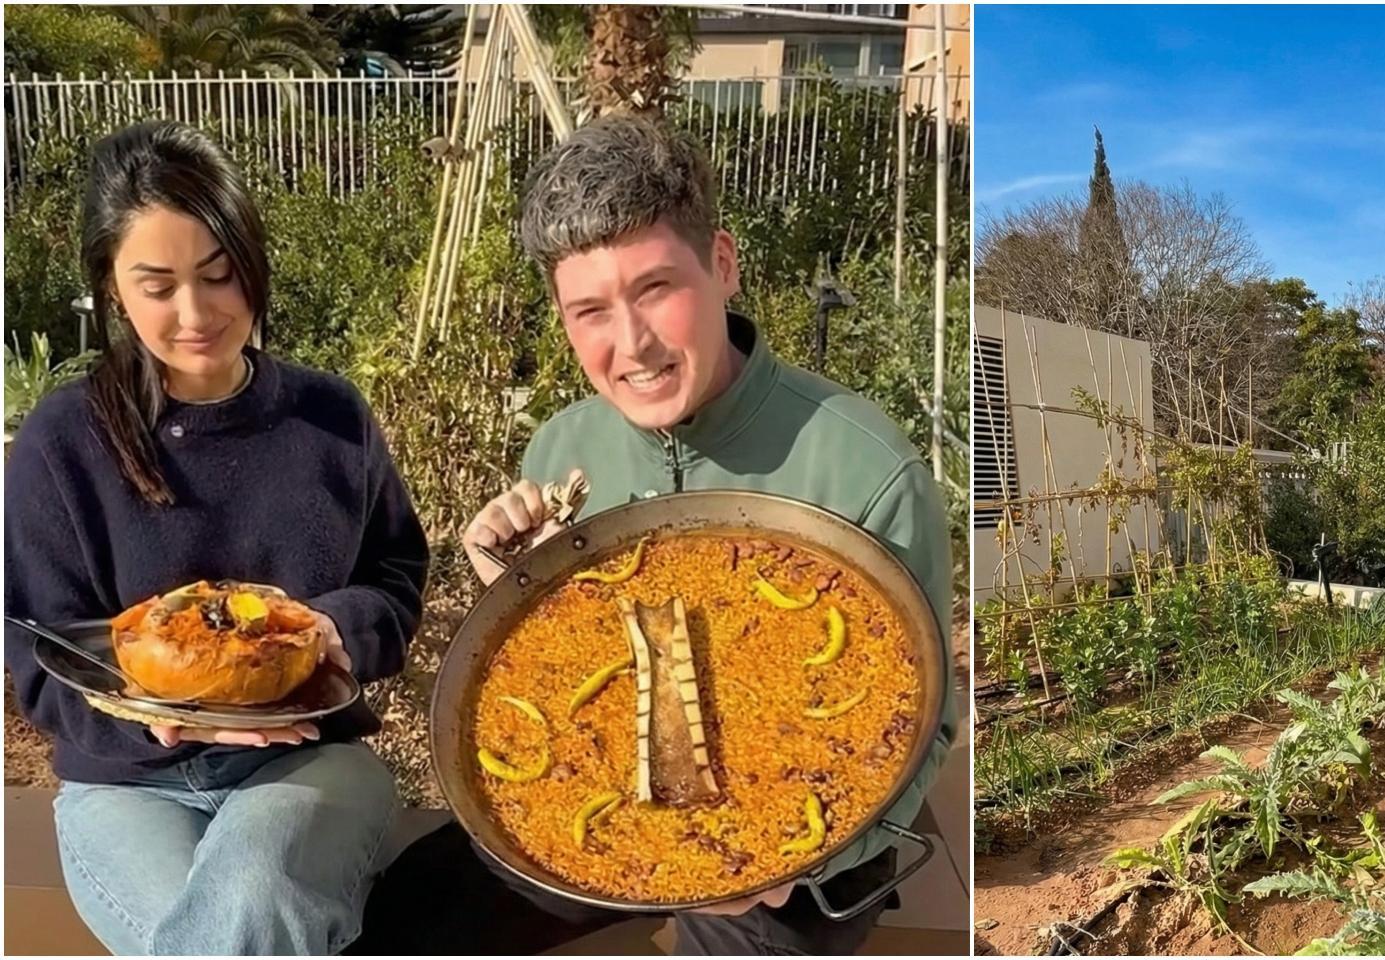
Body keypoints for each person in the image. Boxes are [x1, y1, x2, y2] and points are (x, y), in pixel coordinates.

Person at [355, 115, 955, 955]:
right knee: (402, 921)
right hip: (605, 807)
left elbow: (929, 723)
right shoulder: (563, 446)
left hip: (794, 849)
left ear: (722, 263)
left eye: (655, 289)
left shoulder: (865, 465)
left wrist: (824, 846)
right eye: (590, 309)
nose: (630, 345)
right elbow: (575, 672)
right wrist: (515, 590)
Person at [2, 120, 429, 955]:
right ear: (111, 288)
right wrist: (155, 720)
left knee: (256, 891)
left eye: (218, 274)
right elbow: (33, 650)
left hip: (308, 762)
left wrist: (330, 628)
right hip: (127, 783)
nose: (194, 313)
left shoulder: (330, 420)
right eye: (156, 285)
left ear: (251, 261)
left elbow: (397, 574)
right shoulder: (61, 444)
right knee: (222, 937)